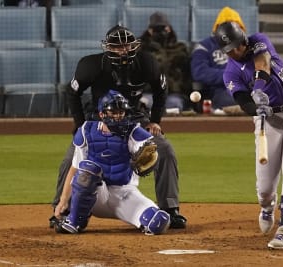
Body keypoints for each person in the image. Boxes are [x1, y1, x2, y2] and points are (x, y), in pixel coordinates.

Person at [49, 25, 187, 230]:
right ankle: (62, 209)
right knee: (72, 158)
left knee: (164, 149)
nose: (123, 50)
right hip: (99, 119)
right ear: (108, 48)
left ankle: (169, 208)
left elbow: (161, 90)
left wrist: (155, 120)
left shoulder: (147, 63)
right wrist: (80, 126)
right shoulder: (91, 65)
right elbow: (73, 93)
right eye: (117, 46)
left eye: (127, 45)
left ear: (134, 46)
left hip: (134, 119)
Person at [214, 21, 283, 249]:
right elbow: (242, 100)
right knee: (265, 188)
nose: (237, 51)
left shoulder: (259, 40)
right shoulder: (230, 72)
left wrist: (257, 87)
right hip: (269, 122)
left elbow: (263, 64)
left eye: (238, 45)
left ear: (243, 40)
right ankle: (267, 207)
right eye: (231, 50)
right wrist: (255, 108)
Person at [54, 90, 170, 235]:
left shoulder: (132, 132)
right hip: (97, 195)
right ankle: (75, 220)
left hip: (125, 194)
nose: (118, 116)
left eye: (121, 112)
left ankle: (138, 218)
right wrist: (63, 200)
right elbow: (75, 168)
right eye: (114, 112)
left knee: (158, 222)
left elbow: (149, 149)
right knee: (87, 171)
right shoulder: (86, 131)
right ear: (102, 114)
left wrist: (150, 156)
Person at [190, 6, 244, 112]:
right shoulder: (204, 47)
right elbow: (199, 72)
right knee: (232, 100)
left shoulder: (249, 46)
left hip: (249, 88)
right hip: (221, 90)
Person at [139, 11, 192, 113]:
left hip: (173, 94)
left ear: (169, 28)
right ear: (150, 30)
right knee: (146, 104)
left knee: (174, 105)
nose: (161, 32)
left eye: (163, 28)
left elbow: (187, 75)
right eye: (156, 29)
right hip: (149, 93)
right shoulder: (140, 49)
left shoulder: (180, 49)